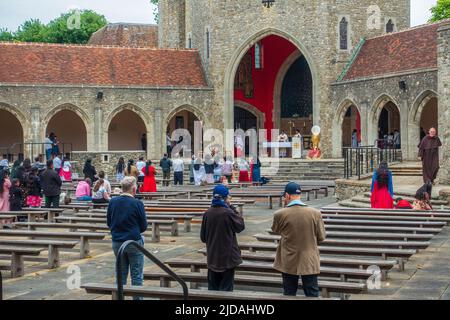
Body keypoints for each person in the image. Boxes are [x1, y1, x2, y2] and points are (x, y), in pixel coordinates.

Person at [271, 182, 325, 297]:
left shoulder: (279, 214)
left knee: (289, 292)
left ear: (287, 195)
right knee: (312, 293)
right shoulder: (315, 213)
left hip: (288, 258)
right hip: (309, 258)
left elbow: (275, 230)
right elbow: (321, 237)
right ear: (300, 195)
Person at [107, 176, 148, 300]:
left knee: (120, 275)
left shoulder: (113, 202)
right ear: (134, 189)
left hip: (117, 241)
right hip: (133, 241)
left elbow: (109, 222)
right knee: (136, 276)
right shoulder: (137, 203)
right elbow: (144, 225)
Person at [200, 185, 245, 291]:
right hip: (227, 260)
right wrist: (232, 207)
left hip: (212, 258)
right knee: (226, 290)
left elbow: (203, 237)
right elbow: (240, 226)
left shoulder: (207, 213)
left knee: (213, 290)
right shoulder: (228, 213)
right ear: (225, 198)